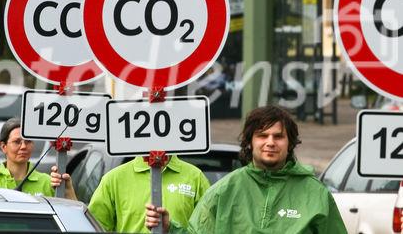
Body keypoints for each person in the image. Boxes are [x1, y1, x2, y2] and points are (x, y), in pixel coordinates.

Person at [145, 105, 348, 233]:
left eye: (278, 136)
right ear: (250, 142)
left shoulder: (316, 194)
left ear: (290, 143)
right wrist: (169, 228)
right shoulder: (223, 191)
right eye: (262, 135)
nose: (270, 142)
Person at [51, 155, 210, 233]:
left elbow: (209, 230)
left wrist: (170, 228)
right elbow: (93, 228)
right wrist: (71, 199)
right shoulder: (114, 179)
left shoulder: (195, 177)